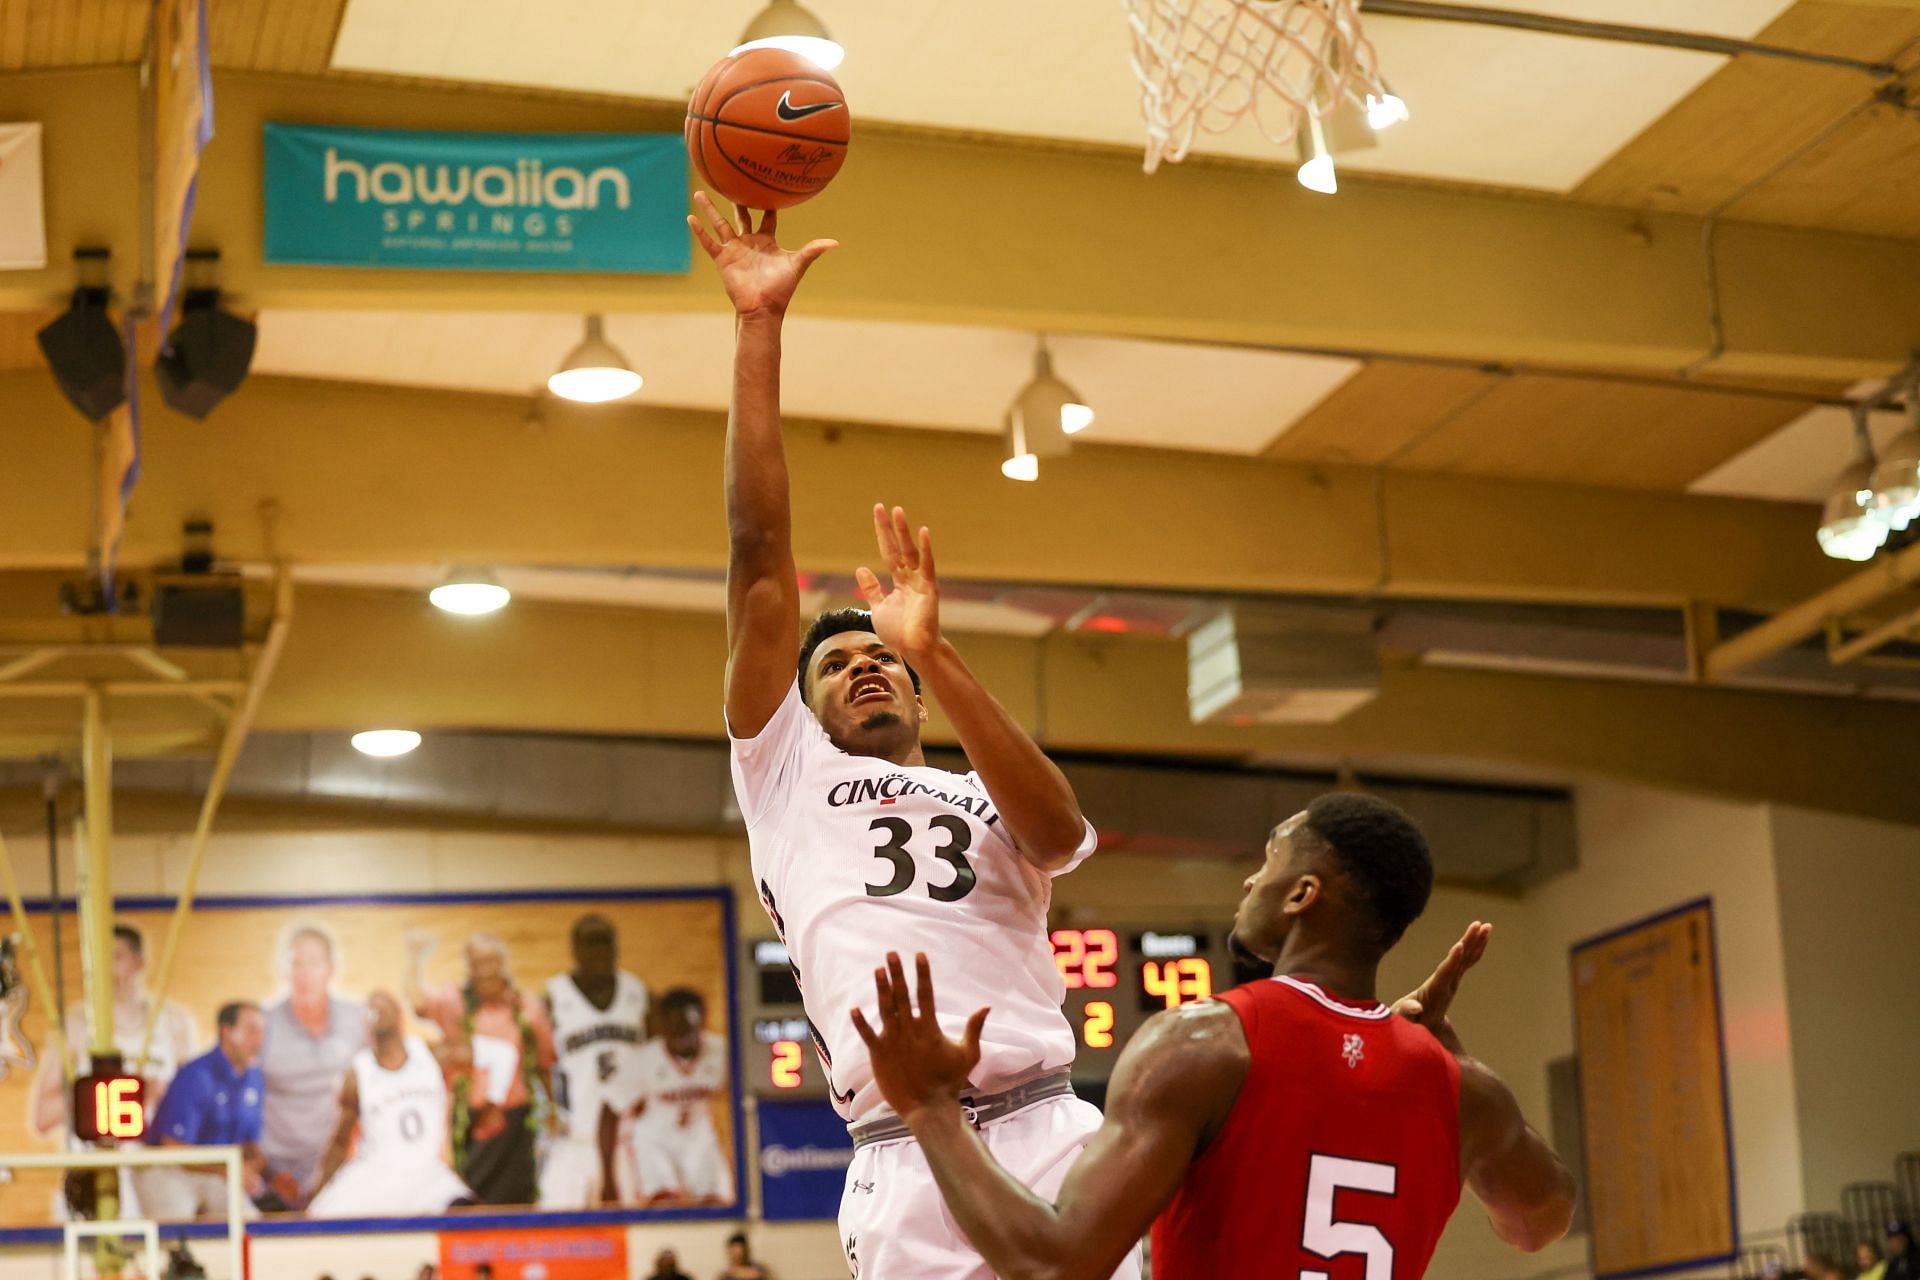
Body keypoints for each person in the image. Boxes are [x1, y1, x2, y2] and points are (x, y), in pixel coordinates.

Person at [689, 191, 1128, 1279]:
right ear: (801, 709)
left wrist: (932, 644)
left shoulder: (986, 793)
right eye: (834, 662)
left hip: (1048, 1127)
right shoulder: (785, 770)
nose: (864, 665)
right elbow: (756, 558)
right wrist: (759, 327)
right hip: (901, 1157)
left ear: (920, 693)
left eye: (880, 657)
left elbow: (1062, 828)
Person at [854, 793, 1578, 1279]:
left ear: (1302, 895)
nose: (1248, 884)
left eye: (1267, 862)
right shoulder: (1463, 1091)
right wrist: (1448, 1060)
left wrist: (932, 1111)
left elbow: (1056, 1265)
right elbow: (1539, 1221)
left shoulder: (1206, 1045)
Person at [407, 931, 555, 1206]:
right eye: (477, 962)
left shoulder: (527, 1008)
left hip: (513, 1122)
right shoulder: (454, 1000)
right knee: (465, 1200)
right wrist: (415, 957)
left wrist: (553, 1113)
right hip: (466, 1120)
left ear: (503, 964)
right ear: (469, 966)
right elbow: (418, 1001)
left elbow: (544, 1064)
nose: (485, 970)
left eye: (490, 962)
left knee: (516, 1204)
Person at [307, 991, 471, 1218]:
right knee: (320, 1218)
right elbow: (339, 1142)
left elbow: (471, 1053)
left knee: (468, 1214)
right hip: (376, 1176)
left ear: (399, 1015)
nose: (378, 1011)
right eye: (372, 1008)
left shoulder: (430, 1054)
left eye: (385, 1006)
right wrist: (320, 1190)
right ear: (366, 1023)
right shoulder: (358, 1073)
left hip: (427, 1176)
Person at [31, 924, 197, 1137]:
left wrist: (164, 1093)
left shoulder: (176, 1022)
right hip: (95, 1162)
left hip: (157, 1163)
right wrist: (111, 1096)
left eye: (116, 957)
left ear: (140, 963)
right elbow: (43, 1117)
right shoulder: (76, 1024)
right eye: (98, 959)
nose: (106, 969)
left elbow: (195, 1106)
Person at [539, 914, 648, 1208]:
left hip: (628, 1136)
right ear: (575, 949)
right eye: (591, 944)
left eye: (606, 943)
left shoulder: (637, 992)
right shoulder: (553, 996)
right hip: (574, 1134)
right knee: (556, 1223)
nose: (600, 951)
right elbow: (539, 1063)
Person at [261, 924, 368, 1205]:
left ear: (330, 968)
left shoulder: (358, 1020)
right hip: (275, 1172)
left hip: (343, 1166)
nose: (304, 973)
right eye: (296, 963)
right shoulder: (262, 1024)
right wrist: (262, 1170)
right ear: (284, 970)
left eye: (313, 963)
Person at [135, 1001, 271, 1221]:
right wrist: (230, 1171)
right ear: (226, 1032)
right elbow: (173, 1148)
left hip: (215, 1173)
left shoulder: (254, 1078)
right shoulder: (196, 1075)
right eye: (251, 1030)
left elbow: (249, 1144)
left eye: (262, 1031)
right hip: (168, 1170)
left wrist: (261, 1171)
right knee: (177, 1228)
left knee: (249, 1222)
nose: (259, 1040)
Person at [620, 988, 732, 1205]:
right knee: (663, 1203)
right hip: (655, 1141)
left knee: (714, 1204)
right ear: (664, 1027)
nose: (682, 1036)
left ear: (701, 1023)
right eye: (675, 1030)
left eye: (688, 1029)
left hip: (701, 1139)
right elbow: (614, 1109)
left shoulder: (722, 1051)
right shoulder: (643, 1059)